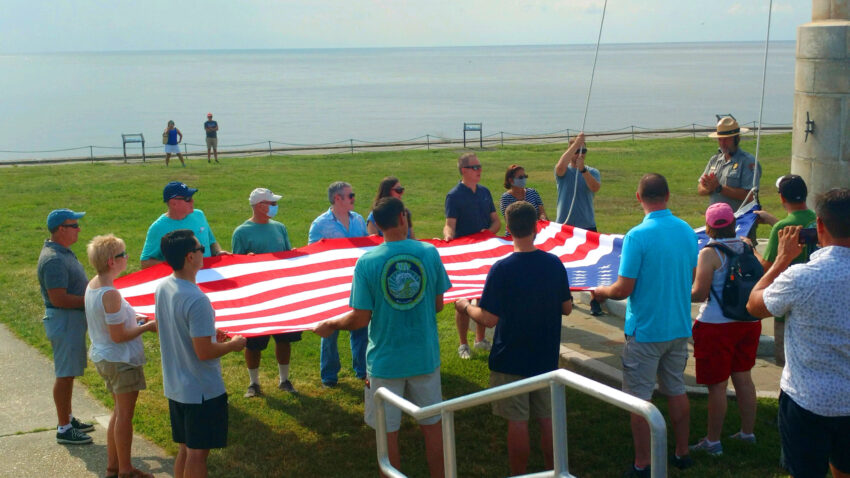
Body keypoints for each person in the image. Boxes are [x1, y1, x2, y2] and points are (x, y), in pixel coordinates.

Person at [314, 197, 450, 478]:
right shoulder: (429, 252)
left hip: (386, 362)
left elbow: (359, 319)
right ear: (403, 218)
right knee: (433, 427)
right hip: (424, 356)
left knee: (388, 438)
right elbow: (438, 305)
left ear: (375, 226)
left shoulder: (367, 262)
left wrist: (330, 323)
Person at [591, 173, 698, 477]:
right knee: (676, 389)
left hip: (645, 331)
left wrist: (602, 292)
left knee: (639, 399)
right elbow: (689, 277)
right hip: (678, 327)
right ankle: (682, 452)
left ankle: (643, 463)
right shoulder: (687, 232)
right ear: (668, 195)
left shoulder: (637, 236)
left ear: (639, 198)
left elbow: (623, 289)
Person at [455, 201, 572, 475]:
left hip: (510, 357)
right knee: (546, 419)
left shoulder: (501, 269)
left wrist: (465, 306)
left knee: (517, 421)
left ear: (508, 229)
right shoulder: (554, 264)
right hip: (545, 355)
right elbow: (567, 307)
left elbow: (489, 319)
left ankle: (519, 474)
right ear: (535, 228)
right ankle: (553, 470)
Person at [747, 188, 850, 478]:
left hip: (807, 400)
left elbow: (755, 305)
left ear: (819, 226)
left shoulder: (801, 277)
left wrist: (781, 260)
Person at [155, 229, 247, 478]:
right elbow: (204, 352)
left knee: (185, 449)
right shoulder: (197, 300)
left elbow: (177, 326)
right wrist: (234, 344)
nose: (203, 252)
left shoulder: (163, 286)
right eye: (200, 249)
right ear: (190, 257)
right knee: (198, 455)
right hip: (202, 391)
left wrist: (208, 330)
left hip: (176, 386)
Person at [688, 203, 760, 457]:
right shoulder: (746, 245)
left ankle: (713, 441)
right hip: (748, 321)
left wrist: (681, 291)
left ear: (708, 227)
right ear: (732, 223)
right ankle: (747, 432)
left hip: (715, 326)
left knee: (717, 386)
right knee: (744, 377)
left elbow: (699, 293)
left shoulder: (708, 253)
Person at [85, 234, 158, 478]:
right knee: (125, 417)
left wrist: (132, 320)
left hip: (104, 356)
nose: (127, 257)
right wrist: (147, 326)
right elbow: (118, 336)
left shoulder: (93, 284)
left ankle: (113, 467)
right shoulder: (110, 294)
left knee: (118, 413)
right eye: (123, 254)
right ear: (111, 262)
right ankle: (126, 469)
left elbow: (111, 325)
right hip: (120, 360)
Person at [232, 188, 300, 397]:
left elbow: (289, 257)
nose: (274, 206)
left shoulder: (280, 228)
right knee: (253, 343)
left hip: (281, 293)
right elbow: (235, 264)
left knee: (284, 339)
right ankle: (253, 383)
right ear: (260, 206)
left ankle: (284, 379)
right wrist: (248, 259)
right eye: (271, 203)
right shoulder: (241, 232)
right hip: (257, 296)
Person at [37, 208, 96, 445]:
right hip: (64, 320)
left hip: (69, 320)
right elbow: (58, 298)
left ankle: (68, 419)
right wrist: (91, 300)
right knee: (64, 375)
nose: (79, 229)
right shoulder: (54, 260)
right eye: (74, 225)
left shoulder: (62, 252)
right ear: (61, 229)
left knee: (69, 374)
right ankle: (64, 428)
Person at [308, 181, 369, 387]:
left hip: (357, 283)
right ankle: (329, 376)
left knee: (360, 325)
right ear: (337, 199)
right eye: (351, 195)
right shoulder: (320, 225)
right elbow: (313, 256)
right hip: (332, 286)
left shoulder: (359, 220)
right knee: (330, 331)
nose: (354, 199)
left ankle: (362, 370)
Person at [752, 174, 816, 366]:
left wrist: (751, 249)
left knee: (785, 361)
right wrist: (772, 220)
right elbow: (795, 229)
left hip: (786, 304)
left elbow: (766, 266)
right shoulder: (814, 218)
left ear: (782, 198)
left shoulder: (782, 226)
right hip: (810, 297)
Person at [443, 152, 500, 359]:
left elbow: (496, 221)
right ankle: (463, 344)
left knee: (484, 296)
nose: (480, 170)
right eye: (475, 167)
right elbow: (450, 225)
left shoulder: (485, 192)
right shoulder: (454, 195)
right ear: (464, 170)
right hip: (465, 255)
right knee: (463, 300)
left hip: (485, 253)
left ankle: (480, 339)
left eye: (480, 166)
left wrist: (488, 233)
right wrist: (448, 239)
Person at [140, 181, 230, 269]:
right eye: (188, 199)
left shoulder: (199, 215)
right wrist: (179, 266)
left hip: (208, 275)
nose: (192, 201)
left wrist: (218, 252)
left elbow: (211, 242)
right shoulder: (158, 228)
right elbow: (145, 262)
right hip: (181, 280)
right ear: (173, 203)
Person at [697, 115, 761, 212]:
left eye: (727, 139)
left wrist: (719, 188)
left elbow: (750, 195)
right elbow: (700, 188)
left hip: (738, 222)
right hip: (715, 221)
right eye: (720, 139)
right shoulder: (714, 160)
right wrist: (709, 188)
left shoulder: (748, 162)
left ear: (737, 139)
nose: (723, 143)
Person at [555, 132, 601, 231]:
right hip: (565, 224)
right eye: (576, 151)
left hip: (587, 225)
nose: (580, 154)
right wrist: (576, 144)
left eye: (583, 151)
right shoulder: (564, 171)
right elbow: (559, 168)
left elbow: (595, 188)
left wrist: (583, 170)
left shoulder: (593, 172)